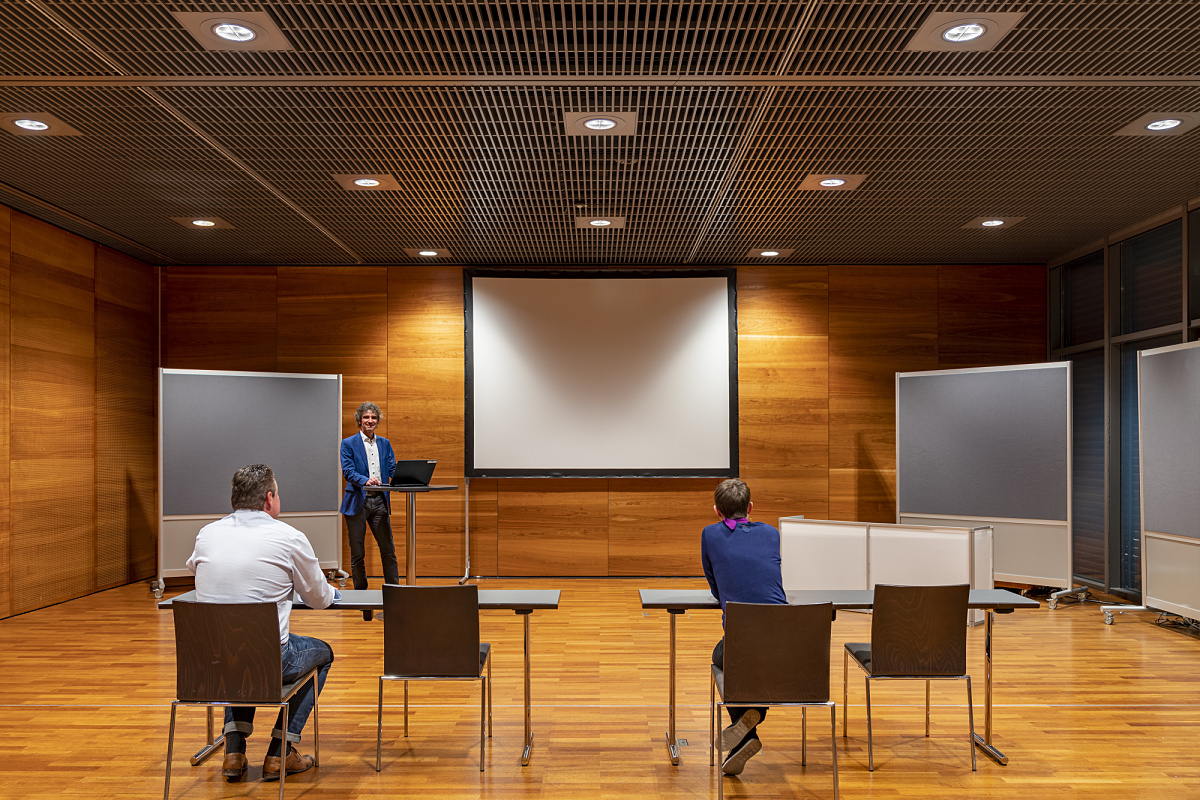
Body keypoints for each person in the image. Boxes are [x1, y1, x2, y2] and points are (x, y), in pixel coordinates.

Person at [187, 464, 336, 782]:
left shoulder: (206, 534)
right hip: (271, 660)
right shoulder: (288, 537)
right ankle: (281, 752)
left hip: (211, 664)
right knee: (323, 653)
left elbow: (196, 572)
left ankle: (234, 752)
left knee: (234, 650)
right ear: (269, 499)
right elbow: (320, 599)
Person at [700, 477, 787, 776]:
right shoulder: (772, 533)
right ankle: (750, 724)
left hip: (742, 644)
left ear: (716, 510)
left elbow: (715, 586)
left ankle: (747, 731)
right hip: (788, 644)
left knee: (722, 658)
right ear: (750, 507)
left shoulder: (710, 535)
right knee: (763, 664)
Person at [340, 401, 399, 620]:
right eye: (366, 417)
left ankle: (397, 598)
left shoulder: (385, 443)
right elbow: (348, 472)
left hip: (380, 503)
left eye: (373, 417)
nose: (370, 421)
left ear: (378, 421)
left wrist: (404, 478)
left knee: (388, 551)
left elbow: (392, 468)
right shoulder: (348, 443)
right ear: (359, 420)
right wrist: (366, 480)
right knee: (358, 554)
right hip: (357, 502)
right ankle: (363, 603)